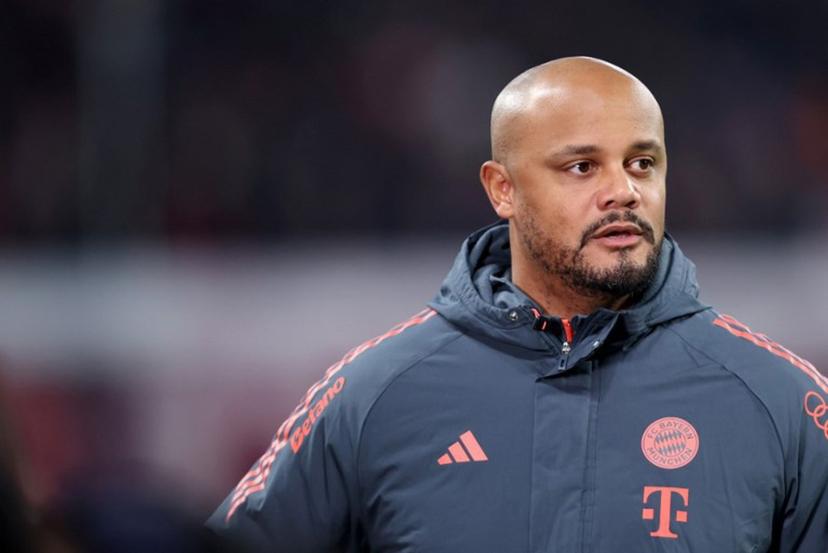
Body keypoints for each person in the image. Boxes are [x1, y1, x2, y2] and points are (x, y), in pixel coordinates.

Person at [207, 57, 828, 552]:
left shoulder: (785, 405)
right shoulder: (372, 395)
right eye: (582, 166)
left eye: (642, 163)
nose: (623, 192)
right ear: (502, 189)